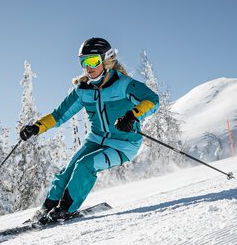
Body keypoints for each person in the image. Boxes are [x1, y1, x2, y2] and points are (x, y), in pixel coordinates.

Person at [19, 37, 159, 224]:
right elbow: (59, 115)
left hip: (124, 144)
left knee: (85, 165)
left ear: (106, 61)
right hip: (95, 139)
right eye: (84, 62)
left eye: (93, 61)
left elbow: (152, 100)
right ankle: (48, 208)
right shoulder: (83, 90)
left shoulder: (124, 84)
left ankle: (66, 209)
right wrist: (36, 127)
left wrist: (133, 116)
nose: (88, 67)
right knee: (67, 170)